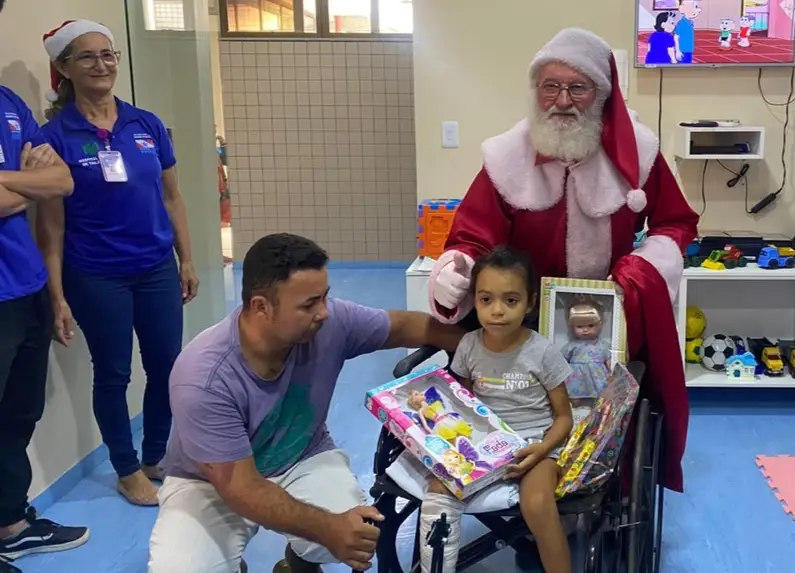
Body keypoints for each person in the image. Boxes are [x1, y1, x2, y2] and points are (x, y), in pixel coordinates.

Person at [428, 28, 699, 494]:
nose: (562, 100)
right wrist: (456, 267)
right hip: (523, 317)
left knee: (607, 403)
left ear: (601, 95)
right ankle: (520, 472)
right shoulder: (505, 156)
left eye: (578, 87)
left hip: (610, 313)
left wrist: (645, 267)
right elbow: (474, 233)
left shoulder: (641, 151)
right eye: (550, 87)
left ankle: (600, 480)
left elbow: (675, 223)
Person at [147, 233, 465, 573]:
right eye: (308, 304)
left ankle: (299, 562)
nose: (323, 313)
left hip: (301, 457)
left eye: (325, 298)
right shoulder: (203, 377)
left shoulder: (330, 324)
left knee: (359, 532)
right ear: (260, 307)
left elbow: (401, 327)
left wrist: (488, 346)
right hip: (210, 483)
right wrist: (329, 529)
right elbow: (243, 489)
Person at [35, 20, 198, 506]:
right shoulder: (53, 138)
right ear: (63, 68)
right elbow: (51, 226)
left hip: (155, 267)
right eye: (87, 56)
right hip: (96, 273)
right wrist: (57, 293)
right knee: (113, 372)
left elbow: (173, 198)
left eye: (109, 55)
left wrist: (185, 257)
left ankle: (154, 455)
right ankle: (127, 469)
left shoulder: (145, 124)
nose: (102, 65)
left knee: (168, 366)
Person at [418, 246, 574, 573]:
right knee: (437, 492)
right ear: (474, 300)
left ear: (530, 303)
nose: (497, 311)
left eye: (511, 300)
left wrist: (543, 448)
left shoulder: (542, 351)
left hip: (533, 445)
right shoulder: (469, 346)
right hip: (480, 445)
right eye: (486, 299)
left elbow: (564, 417)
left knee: (538, 504)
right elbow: (460, 402)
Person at [0, 7, 90, 572]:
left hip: (25, 285)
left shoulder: (8, 104)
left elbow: (61, 180)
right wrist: (28, 183)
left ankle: (10, 521)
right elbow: (42, 184)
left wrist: (16, 184)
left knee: (18, 413)